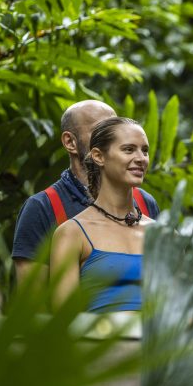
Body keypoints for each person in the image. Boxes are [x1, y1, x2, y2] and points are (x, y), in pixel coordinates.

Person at [12, 100, 159, 283]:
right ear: (70, 142)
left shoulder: (145, 203)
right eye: (101, 129)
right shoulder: (42, 207)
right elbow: (31, 302)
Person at [50, 117, 154, 312]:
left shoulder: (164, 234)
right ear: (98, 156)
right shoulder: (72, 233)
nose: (141, 158)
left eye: (145, 150)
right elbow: (63, 318)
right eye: (129, 149)